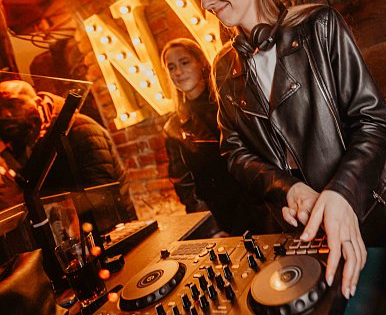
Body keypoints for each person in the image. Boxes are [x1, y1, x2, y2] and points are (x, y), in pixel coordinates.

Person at [185, 0, 386, 300]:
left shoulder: (321, 25)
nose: (204, 1)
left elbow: (374, 123)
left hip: (364, 212)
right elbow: (235, 154)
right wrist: (290, 189)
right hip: (296, 232)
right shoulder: (222, 67)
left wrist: (341, 193)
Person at [0, 80, 136, 221]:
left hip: (113, 227)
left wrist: (23, 201)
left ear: (37, 102)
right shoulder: (28, 143)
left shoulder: (81, 130)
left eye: (12, 105)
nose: (5, 115)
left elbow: (101, 197)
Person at [161, 37, 253, 235]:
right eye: (171, 67)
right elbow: (186, 188)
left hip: (259, 207)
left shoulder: (230, 101)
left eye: (184, 62)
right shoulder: (173, 127)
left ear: (201, 62)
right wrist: (211, 229)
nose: (178, 72)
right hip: (222, 223)